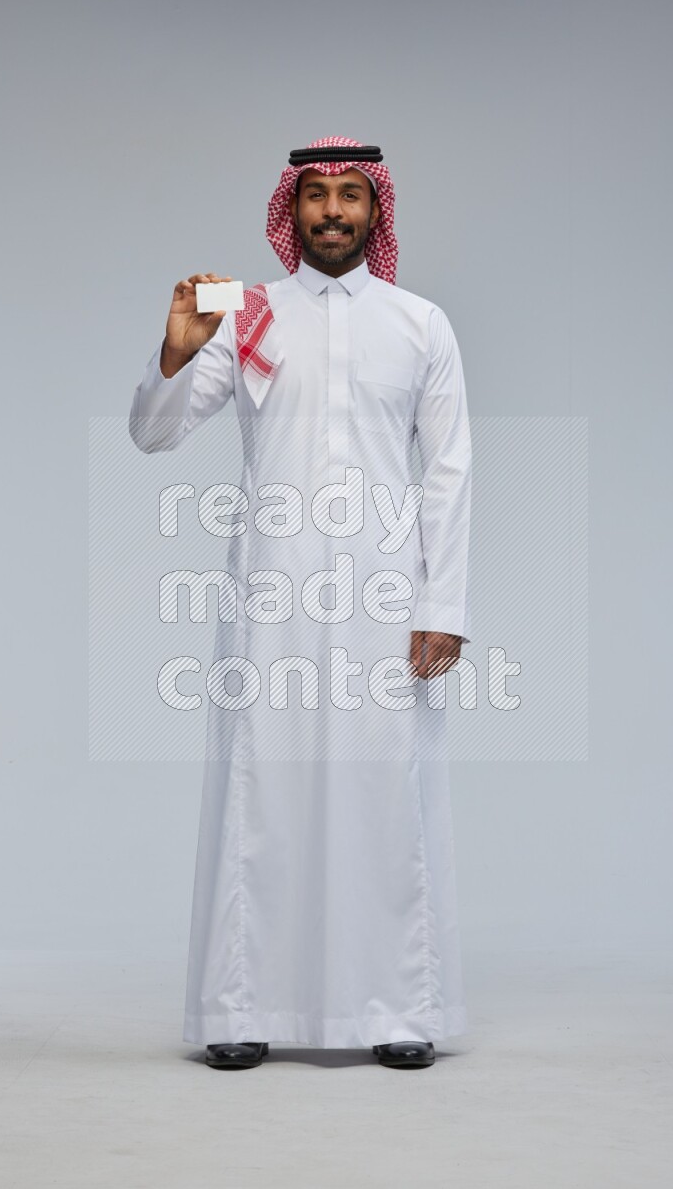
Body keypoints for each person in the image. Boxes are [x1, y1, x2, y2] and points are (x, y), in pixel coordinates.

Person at [128, 136, 473, 1071]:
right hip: (271, 589)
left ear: (375, 210)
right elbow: (152, 435)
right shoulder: (245, 315)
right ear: (292, 209)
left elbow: (448, 472)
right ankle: (241, 1006)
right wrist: (175, 352)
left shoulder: (420, 323)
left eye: (349, 195)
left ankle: (399, 1008)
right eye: (315, 195)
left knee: (385, 789)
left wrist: (443, 604)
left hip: (387, 595)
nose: (331, 211)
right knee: (263, 789)